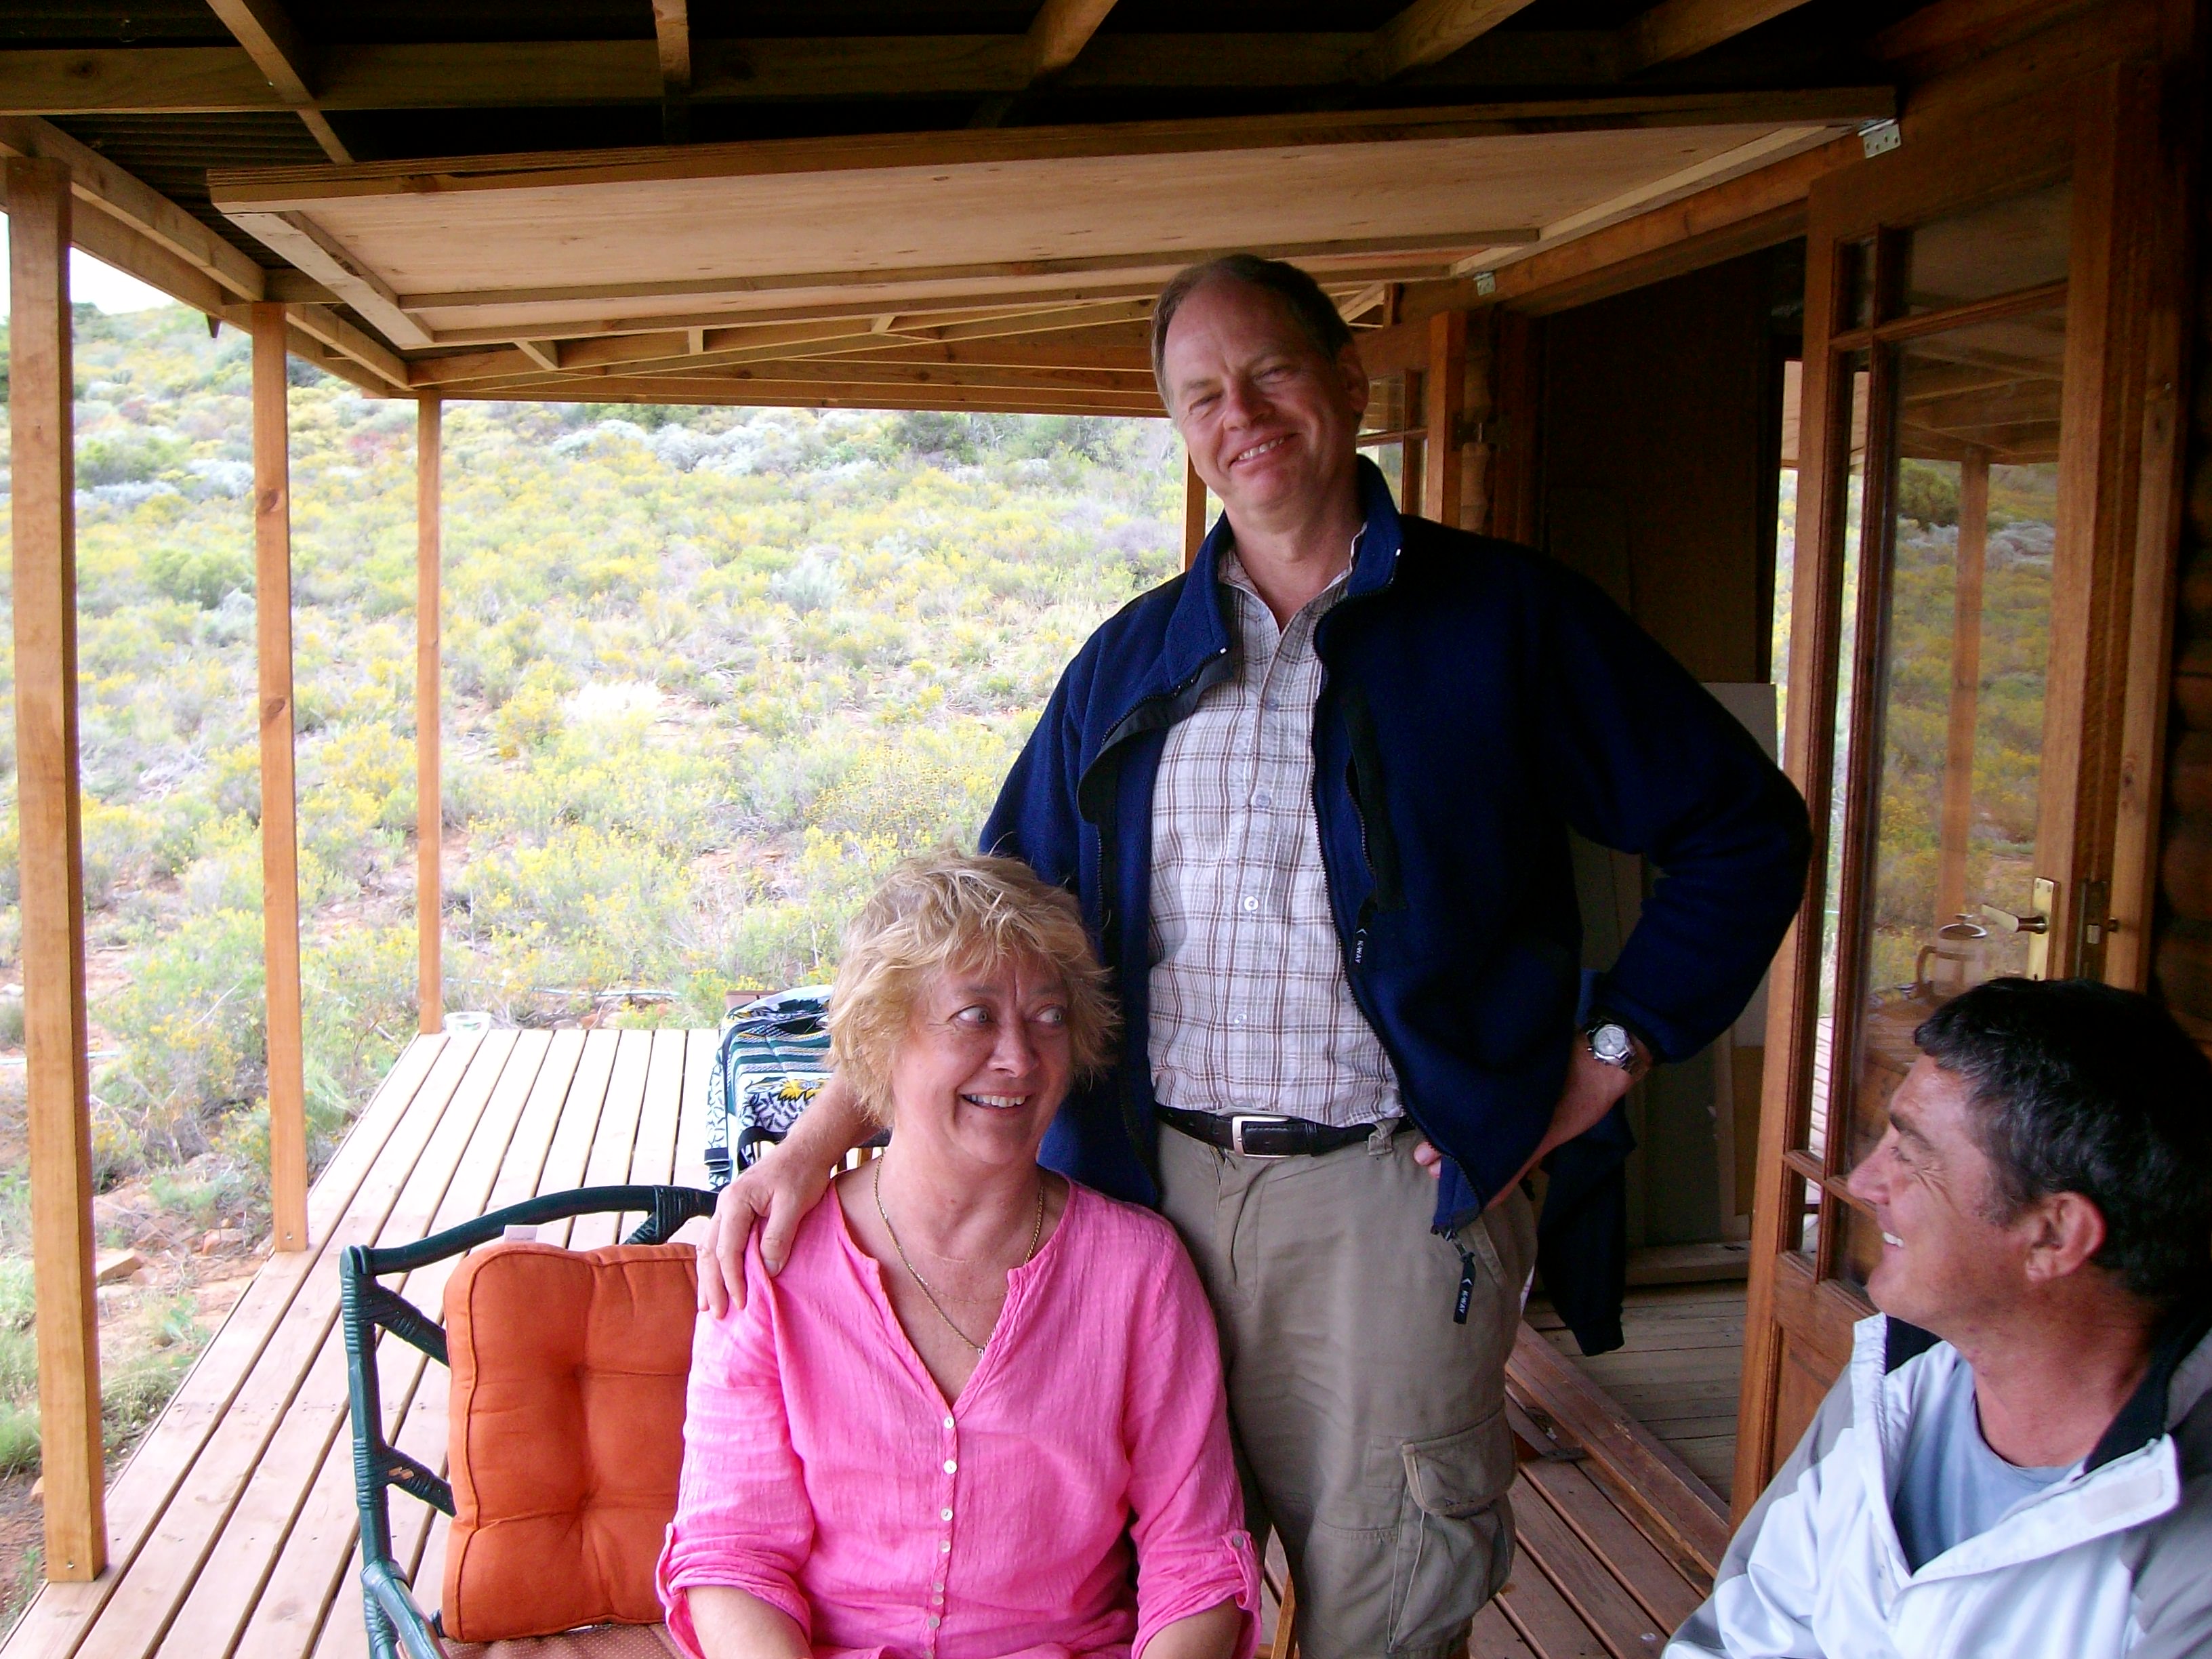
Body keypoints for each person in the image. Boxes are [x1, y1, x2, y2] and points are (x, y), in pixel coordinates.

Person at [699, 254, 1810, 1658]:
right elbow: (961, 955)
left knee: (1388, 1603)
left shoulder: (1506, 625)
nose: (1243, 412)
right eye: (1201, 393)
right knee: (1156, 1585)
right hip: (1139, 1198)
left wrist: (1610, 1052)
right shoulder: (1131, 662)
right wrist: (812, 1148)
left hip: (1385, 1206)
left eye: (1272, 371)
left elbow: (1742, 828)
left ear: (1349, 384)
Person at [659, 851, 1257, 1659]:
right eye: (975, 1015)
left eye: (1048, 1016)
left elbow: (1197, 1565)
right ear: (881, 1041)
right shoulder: (776, 1263)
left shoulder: (1138, 1272)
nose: (1019, 1057)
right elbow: (731, 1554)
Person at [1668, 978, 2212, 1659]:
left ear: (2054, 1235)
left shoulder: (2186, 1536)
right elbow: (1746, 1632)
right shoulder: (1893, 1387)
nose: (1864, 1184)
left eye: (1912, 1155)